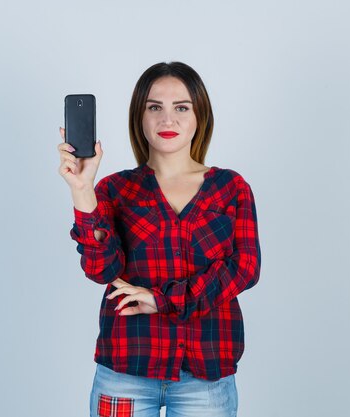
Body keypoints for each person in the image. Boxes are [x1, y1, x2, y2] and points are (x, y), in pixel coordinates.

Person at [57, 62, 261, 417]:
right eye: (155, 108)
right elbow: (101, 268)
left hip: (206, 375)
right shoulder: (115, 190)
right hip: (125, 371)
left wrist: (162, 300)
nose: (168, 120)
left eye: (181, 107)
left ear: (200, 117)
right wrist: (82, 190)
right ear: (140, 116)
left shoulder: (231, 188)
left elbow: (244, 269)